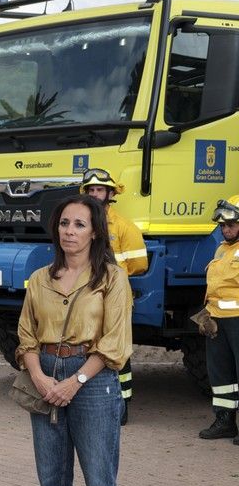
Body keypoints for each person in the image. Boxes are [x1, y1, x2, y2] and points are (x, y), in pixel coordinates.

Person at [16, 194, 131, 486]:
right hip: (46, 374)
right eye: (65, 223)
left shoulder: (112, 280)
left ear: (95, 231)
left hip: (93, 381)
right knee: (51, 478)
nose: (70, 231)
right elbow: (26, 335)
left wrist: (74, 380)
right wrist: (41, 377)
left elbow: (115, 343)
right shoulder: (40, 278)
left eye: (80, 224)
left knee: (99, 479)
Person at [81, 168, 146, 424]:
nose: (95, 194)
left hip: (115, 299)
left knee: (118, 352)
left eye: (99, 190)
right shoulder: (80, 225)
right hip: (87, 298)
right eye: (91, 190)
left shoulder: (123, 227)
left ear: (110, 194)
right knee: (87, 349)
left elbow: (139, 263)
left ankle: (122, 407)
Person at [197, 198, 239, 444]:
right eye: (223, 225)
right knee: (221, 374)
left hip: (237, 320)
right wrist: (206, 314)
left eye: (231, 224)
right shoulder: (222, 249)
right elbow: (215, 286)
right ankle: (224, 421)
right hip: (217, 321)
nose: (226, 230)